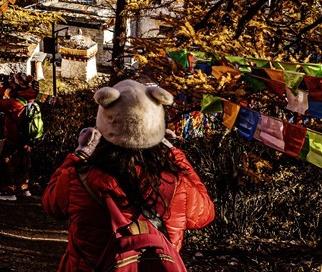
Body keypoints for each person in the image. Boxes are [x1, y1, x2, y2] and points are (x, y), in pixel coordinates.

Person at [42, 79, 215, 271]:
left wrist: (79, 154)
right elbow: (204, 213)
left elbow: (52, 204)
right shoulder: (176, 182)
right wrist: (175, 154)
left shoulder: (79, 177)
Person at [0, 72, 38, 201]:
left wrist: (4, 88)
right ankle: (23, 189)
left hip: (14, 138)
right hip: (27, 139)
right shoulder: (31, 98)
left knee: (7, 162)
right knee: (23, 163)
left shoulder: (14, 103)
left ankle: (7, 191)